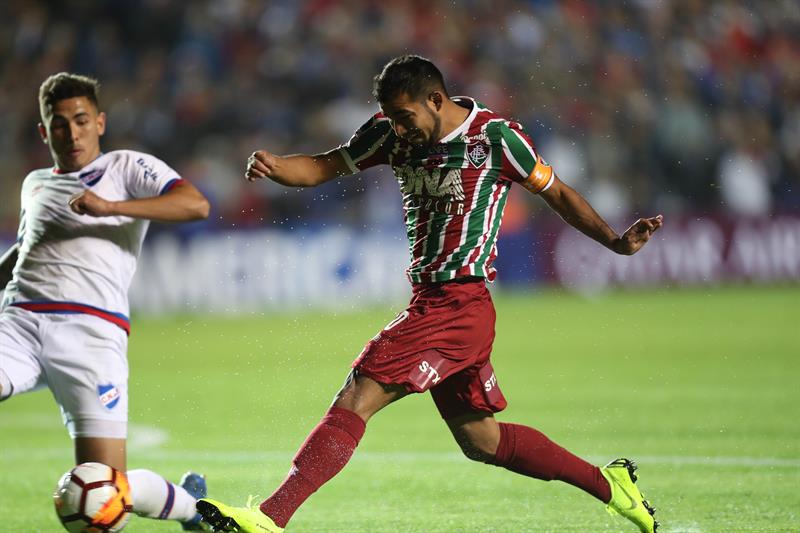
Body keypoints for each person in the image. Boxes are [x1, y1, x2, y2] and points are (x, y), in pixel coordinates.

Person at [197, 55, 663, 533]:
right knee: (481, 440)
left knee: (357, 395)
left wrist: (614, 241)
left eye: (405, 117)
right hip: (440, 303)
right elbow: (323, 167)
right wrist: (279, 166)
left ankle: (270, 518)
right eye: (392, 118)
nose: (399, 130)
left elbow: (558, 193)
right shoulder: (387, 132)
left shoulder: (496, 138)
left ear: (436, 100)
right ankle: (612, 487)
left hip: (458, 303)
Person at [0, 73, 212, 530]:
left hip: (91, 335)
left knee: (106, 491)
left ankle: (192, 508)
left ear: (99, 123)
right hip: (18, 323)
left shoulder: (126, 168)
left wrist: (111, 207)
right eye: (59, 124)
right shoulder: (35, 183)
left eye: (80, 121)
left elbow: (195, 205)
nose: (71, 133)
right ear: (44, 131)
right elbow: (25, 250)